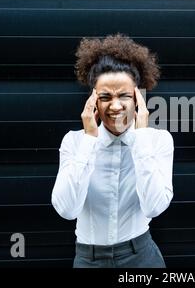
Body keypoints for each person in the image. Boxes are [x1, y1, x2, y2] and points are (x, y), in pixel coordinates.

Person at [51, 34, 174, 268]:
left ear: (137, 98)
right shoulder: (74, 143)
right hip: (89, 259)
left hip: (141, 257)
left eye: (124, 96)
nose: (115, 106)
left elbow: (155, 207)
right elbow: (66, 209)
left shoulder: (157, 141)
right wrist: (89, 141)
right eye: (105, 96)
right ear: (93, 101)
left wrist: (141, 140)